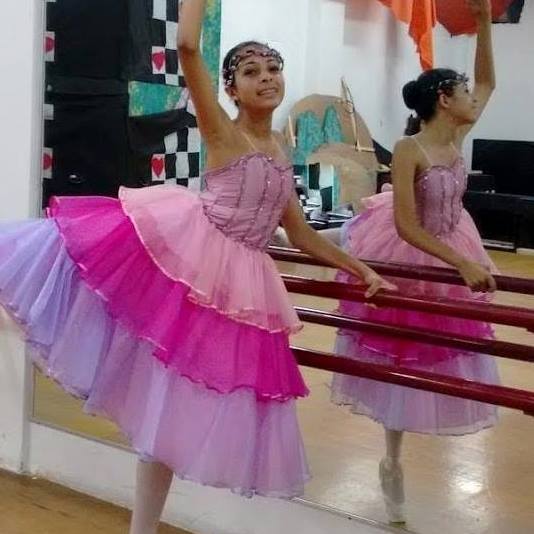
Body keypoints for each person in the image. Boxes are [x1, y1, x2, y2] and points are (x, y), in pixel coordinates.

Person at [0, 1, 394, 533]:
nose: (266, 78)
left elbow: (299, 234)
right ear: (231, 90)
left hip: (243, 285)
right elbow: (187, 48)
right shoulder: (223, 132)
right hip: (196, 263)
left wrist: (360, 268)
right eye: (251, 72)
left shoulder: (280, 151)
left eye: (273, 68)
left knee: (181, 407)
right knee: (157, 392)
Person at [331, 0, 499, 524]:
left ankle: (406, 438)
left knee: (442, 346)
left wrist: (485, 22)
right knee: (398, 346)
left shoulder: (457, 136)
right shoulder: (411, 149)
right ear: (445, 100)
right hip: (413, 246)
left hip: (454, 237)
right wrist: (459, 264)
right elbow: (407, 225)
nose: (474, 97)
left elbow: (488, 82)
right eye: (464, 92)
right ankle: (391, 456)